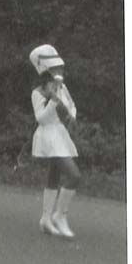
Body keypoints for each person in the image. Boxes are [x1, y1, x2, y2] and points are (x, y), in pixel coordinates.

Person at [29, 44, 81, 238]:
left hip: (60, 133)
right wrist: (52, 101)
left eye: (59, 68)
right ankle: (60, 215)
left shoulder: (62, 87)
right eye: (55, 68)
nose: (59, 71)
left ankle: (45, 219)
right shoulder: (38, 92)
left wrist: (72, 115)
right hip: (48, 135)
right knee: (74, 176)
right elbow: (40, 118)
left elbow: (72, 105)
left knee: (54, 176)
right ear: (46, 71)